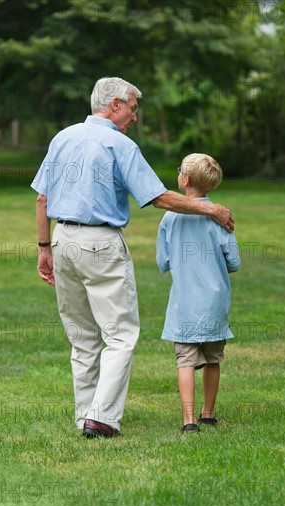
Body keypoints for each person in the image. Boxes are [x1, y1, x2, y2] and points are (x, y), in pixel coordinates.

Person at [31, 77, 235, 439]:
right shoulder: (118, 144)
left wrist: (44, 248)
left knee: (81, 335)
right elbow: (158, 197)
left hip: (62, 240)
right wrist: (211, 211)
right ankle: (103, 418)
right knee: (120, 335)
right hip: (101, 242)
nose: (134, 118)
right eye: (133, 109)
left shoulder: (62, 137)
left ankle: (85, 416)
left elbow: (42, 199)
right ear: (114, 106)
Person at [156, 153, 240, 433]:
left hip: (184, 303)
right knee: (213, 359)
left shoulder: (170, 218)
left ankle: (188, 419)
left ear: (185, 180)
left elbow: (163, 261)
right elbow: (234, 262)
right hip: (215, 303)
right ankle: (209, 412)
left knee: (185, 361)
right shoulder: (221, 216)